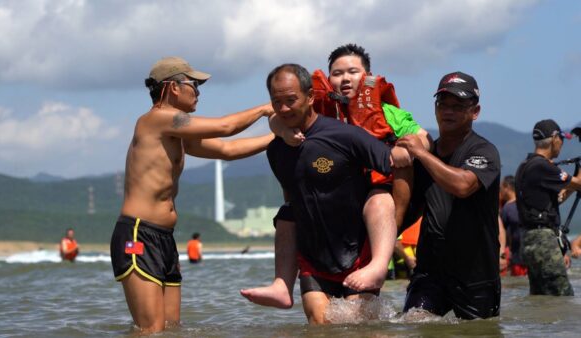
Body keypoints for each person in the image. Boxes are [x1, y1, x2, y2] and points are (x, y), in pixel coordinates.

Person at [241, 43, 430, 309]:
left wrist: (406, 147)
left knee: (379, 199)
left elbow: (423, 137)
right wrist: (283, 132)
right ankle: (282, 284)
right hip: (331, 208)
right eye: (337, 73)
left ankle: (380, 259)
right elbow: (278, 114)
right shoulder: (316, 106)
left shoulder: (385, 112)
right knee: (288, 213)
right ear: (326, 80)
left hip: (378, 196)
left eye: (352, 72)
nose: (344, 79)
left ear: (366, 76)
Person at [109, 56, 274, 334]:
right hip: (138, 235)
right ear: (173, 87)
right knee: (151, 329)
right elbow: (225, 127)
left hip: (164, 238)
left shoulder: (176, 133)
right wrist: (265, 110)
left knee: (172, 328)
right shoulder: (156, 120)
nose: (198, 91)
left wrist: (278, 137)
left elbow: (227, 150)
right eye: (194, 84)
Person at [256, 63, 399, 324]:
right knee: (321, 325)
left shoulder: (346, 136)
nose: (284, 108)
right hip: (313, 257)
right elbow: (292, 196)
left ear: (310, 97)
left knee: (356, 326)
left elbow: (393, 167)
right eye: (277, 102)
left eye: (291, 100)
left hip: (356, 254)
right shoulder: (276, 151)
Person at [396, 71, 501, 319]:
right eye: (443, 104)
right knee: (414, 324)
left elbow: (463, 186)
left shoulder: (484, 150)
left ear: (475, 111)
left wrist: (421, 154)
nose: (448, 111)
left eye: (457, 106)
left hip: (476, 275)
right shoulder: (426, 156)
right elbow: (411, 208)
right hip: (430, 272)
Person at [514, 119, 581, 296]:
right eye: (562, 139)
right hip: (543, 240)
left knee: (541, 298)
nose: (562, 145)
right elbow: (580, 183)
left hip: (529, 240)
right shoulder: (543, 166)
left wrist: (572, 186)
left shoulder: (525, 166)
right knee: (562, 297)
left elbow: (554, 200)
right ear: (554, 139)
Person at [499, 175, 527, 276]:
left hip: (517, 258)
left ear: (507, 187)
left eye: (501, 188)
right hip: (531, 255)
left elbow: (502, 234)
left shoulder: (506, 209)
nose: (500, 191)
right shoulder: (526, 204)